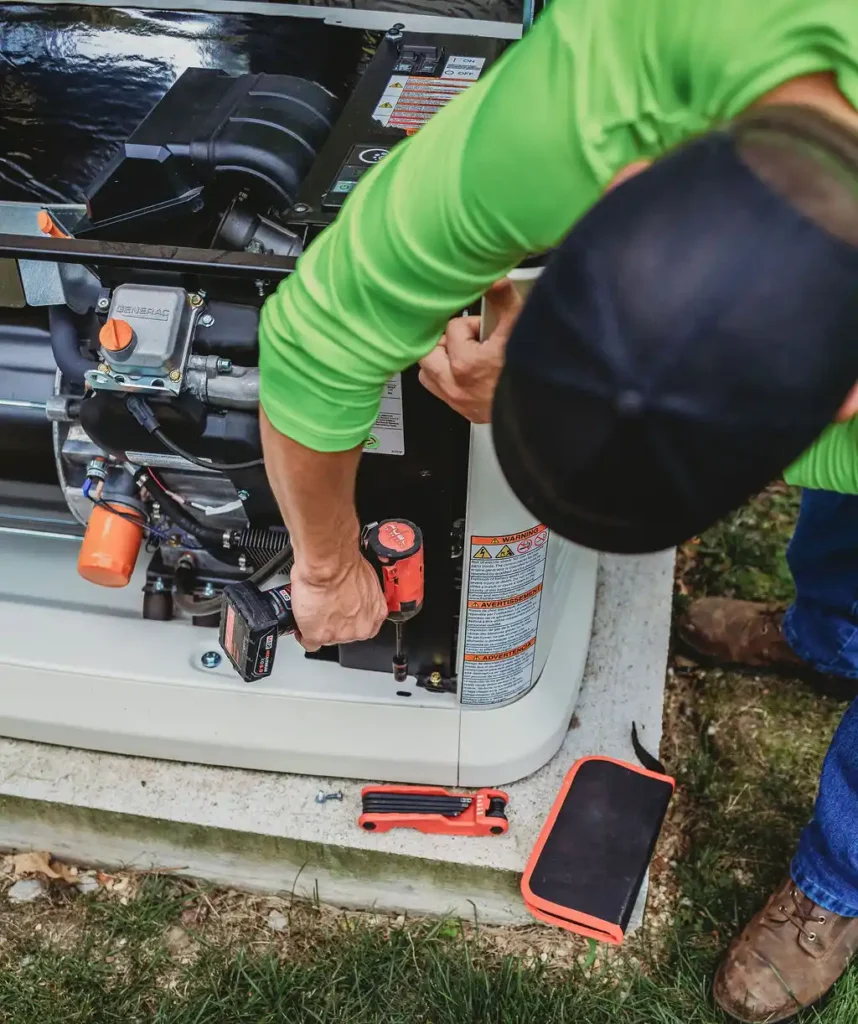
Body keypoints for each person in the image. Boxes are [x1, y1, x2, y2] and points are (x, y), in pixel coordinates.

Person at [255, 2, 858, 1020]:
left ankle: (838, 880)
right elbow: (323, 330)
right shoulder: (606, 81)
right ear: (622, 185)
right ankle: (830, 633)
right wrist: (325, 564)